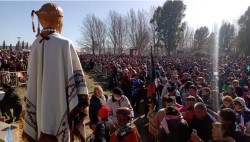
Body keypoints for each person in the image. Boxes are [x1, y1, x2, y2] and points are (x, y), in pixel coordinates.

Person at [23, 3, 89, 142]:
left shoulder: (35, 44)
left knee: (42, 124)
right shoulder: (65, 44)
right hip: (61, 105)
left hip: (40, 107)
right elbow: (77, 80)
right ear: (58, 20)